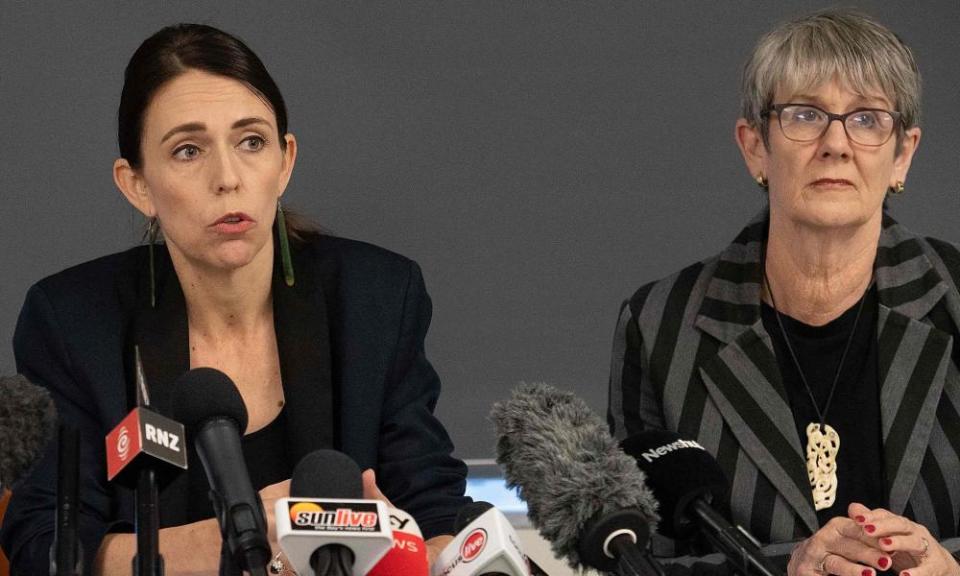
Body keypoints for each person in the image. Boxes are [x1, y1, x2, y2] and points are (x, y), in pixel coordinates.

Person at [0, 23, 468, 574]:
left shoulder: (375, 298)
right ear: (137, 185)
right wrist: (237, 535)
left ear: (285, 162)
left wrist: (425, 551)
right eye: (188, 150)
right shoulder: (73, 321)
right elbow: (47, 546)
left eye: (251, 142)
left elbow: (437, 508)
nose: (228, 177)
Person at [608, 9, 960, 576]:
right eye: (805, 115)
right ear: (755, 147)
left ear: (903, 154)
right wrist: (791, 568)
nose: (836, 144)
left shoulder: (954, 296)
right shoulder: (660, 325)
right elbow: (636, 564)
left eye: (867, 119)